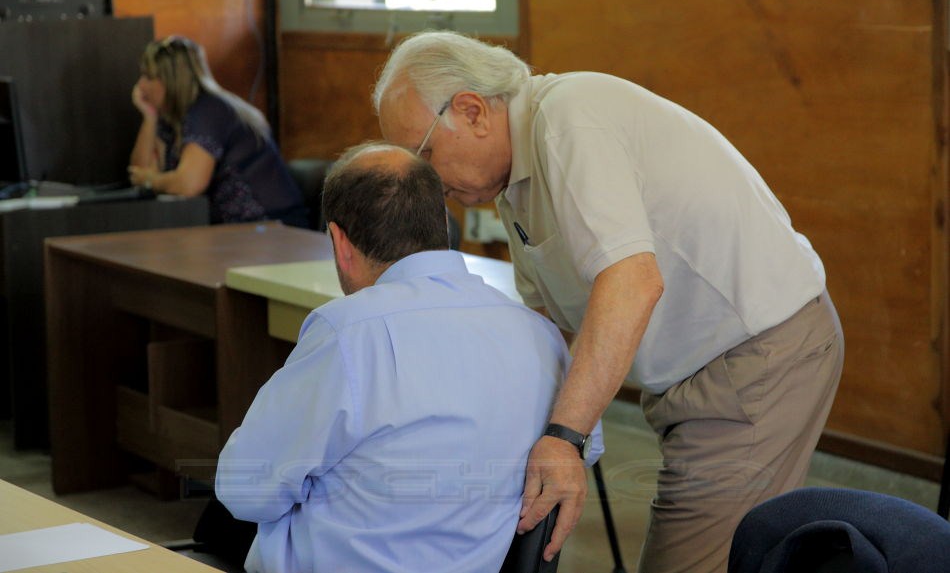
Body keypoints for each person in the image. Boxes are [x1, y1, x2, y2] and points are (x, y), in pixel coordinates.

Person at [373, 30, 845, 573]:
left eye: (424, 154)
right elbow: (544, 323)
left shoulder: (568, 119)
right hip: (698, 375)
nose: (426, 182)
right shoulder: (513, 182)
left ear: (472, 111)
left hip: (756, 357)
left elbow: (632, 282)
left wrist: (563, 438)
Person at [215, 142, 603, 573]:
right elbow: (580, 453)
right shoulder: (541, 336)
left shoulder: (348, 332)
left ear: (340, 242)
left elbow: (245, 489)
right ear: (442, 224)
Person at [128, 35, 307, 227]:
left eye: (148, 77)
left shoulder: (209, 110)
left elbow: (189, 184)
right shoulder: (172, 119)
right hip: (235, 230)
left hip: (272, 226)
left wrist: (151, 181)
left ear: (172, 80)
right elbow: (138, 173)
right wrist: (150, 118)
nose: (140, 85)